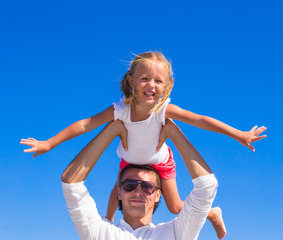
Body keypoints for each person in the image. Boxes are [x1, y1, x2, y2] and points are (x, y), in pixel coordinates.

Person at [21, 51, 266, 238]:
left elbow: (200, 120)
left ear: (166, 85)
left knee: (176, 207)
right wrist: (49, 143)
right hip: (130, 160)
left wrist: (239, 134)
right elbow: (86, 124)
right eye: (145, 78)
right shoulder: (120, 110)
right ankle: (107, 222)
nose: (152, 85)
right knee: (117, 190)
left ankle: (211, 212)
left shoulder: (164, 110)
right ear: (131, 81)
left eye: (159, 81)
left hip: (160, 161)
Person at [62, 119, 223, 239]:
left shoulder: (175, 233)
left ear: (158, 194)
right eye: (130, 185)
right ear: (119, 192)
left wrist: (172, 132)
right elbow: (71, 182)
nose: (138, 191)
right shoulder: (100, 231)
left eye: (147, 186)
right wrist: (112, 129)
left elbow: (207, 186)